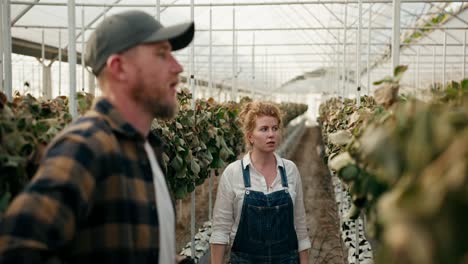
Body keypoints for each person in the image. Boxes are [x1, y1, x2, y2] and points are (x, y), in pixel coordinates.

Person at [0, 10, 194, 264]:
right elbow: (17, 250)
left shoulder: (145, 147)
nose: (177, 67)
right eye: (161, 54)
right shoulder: (86, 145)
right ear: (119, 67)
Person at [210, 101, 311, 264]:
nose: (271, 134)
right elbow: (220, 230)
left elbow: (300, 226)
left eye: (275, 128)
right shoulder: (233, 173)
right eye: (264, 129)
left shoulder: (290, 170)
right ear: (250, 136)